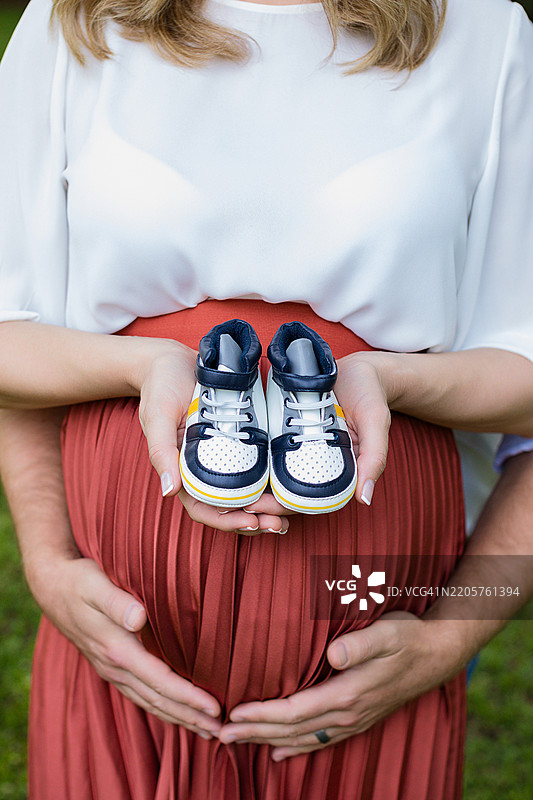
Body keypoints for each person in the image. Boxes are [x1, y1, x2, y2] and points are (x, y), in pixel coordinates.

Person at [1, 0, 533, 797]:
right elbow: (11, 328)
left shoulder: (483, 30)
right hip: (121, 651)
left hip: (367, 652)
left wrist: (452, 635)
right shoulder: (76, 19)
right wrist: (47, 566)